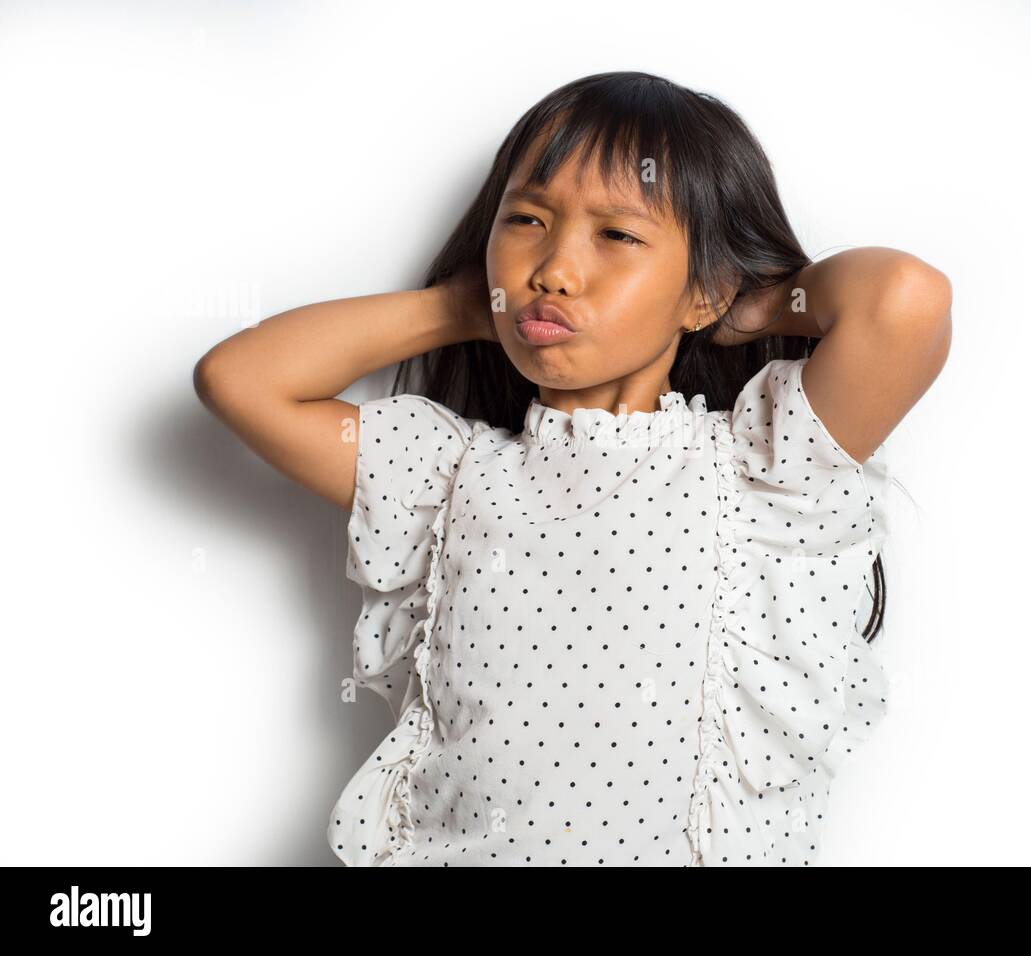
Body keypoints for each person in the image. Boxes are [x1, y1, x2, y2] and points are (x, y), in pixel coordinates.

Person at [194, 70, 952, 866]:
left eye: (617, 235)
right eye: (526, 219)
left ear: (704, 289)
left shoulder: (760, 470)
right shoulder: (446, 477)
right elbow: (240, 380)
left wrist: (753, 304)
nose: (553, 267)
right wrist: (466, 309)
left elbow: (905, 300)